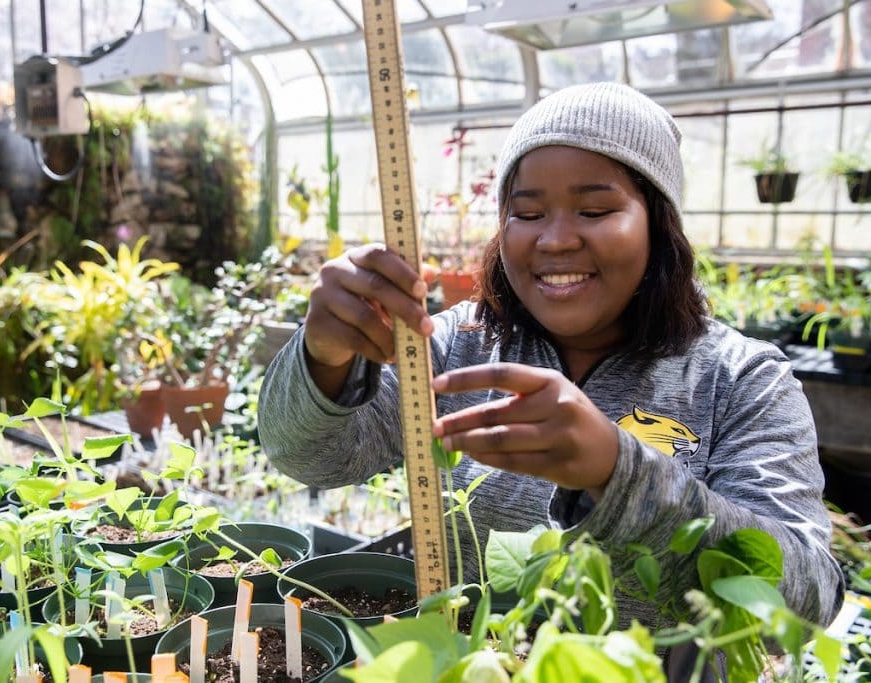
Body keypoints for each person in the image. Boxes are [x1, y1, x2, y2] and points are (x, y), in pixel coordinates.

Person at [257, 82, 843, 674]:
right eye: (528, 212)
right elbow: (311, 457)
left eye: (595, 210)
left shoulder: (741, 379)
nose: (555, 238)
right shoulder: (457, 343)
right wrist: (323, 357)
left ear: (657, 224)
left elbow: (808, 596)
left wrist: (621, 473)